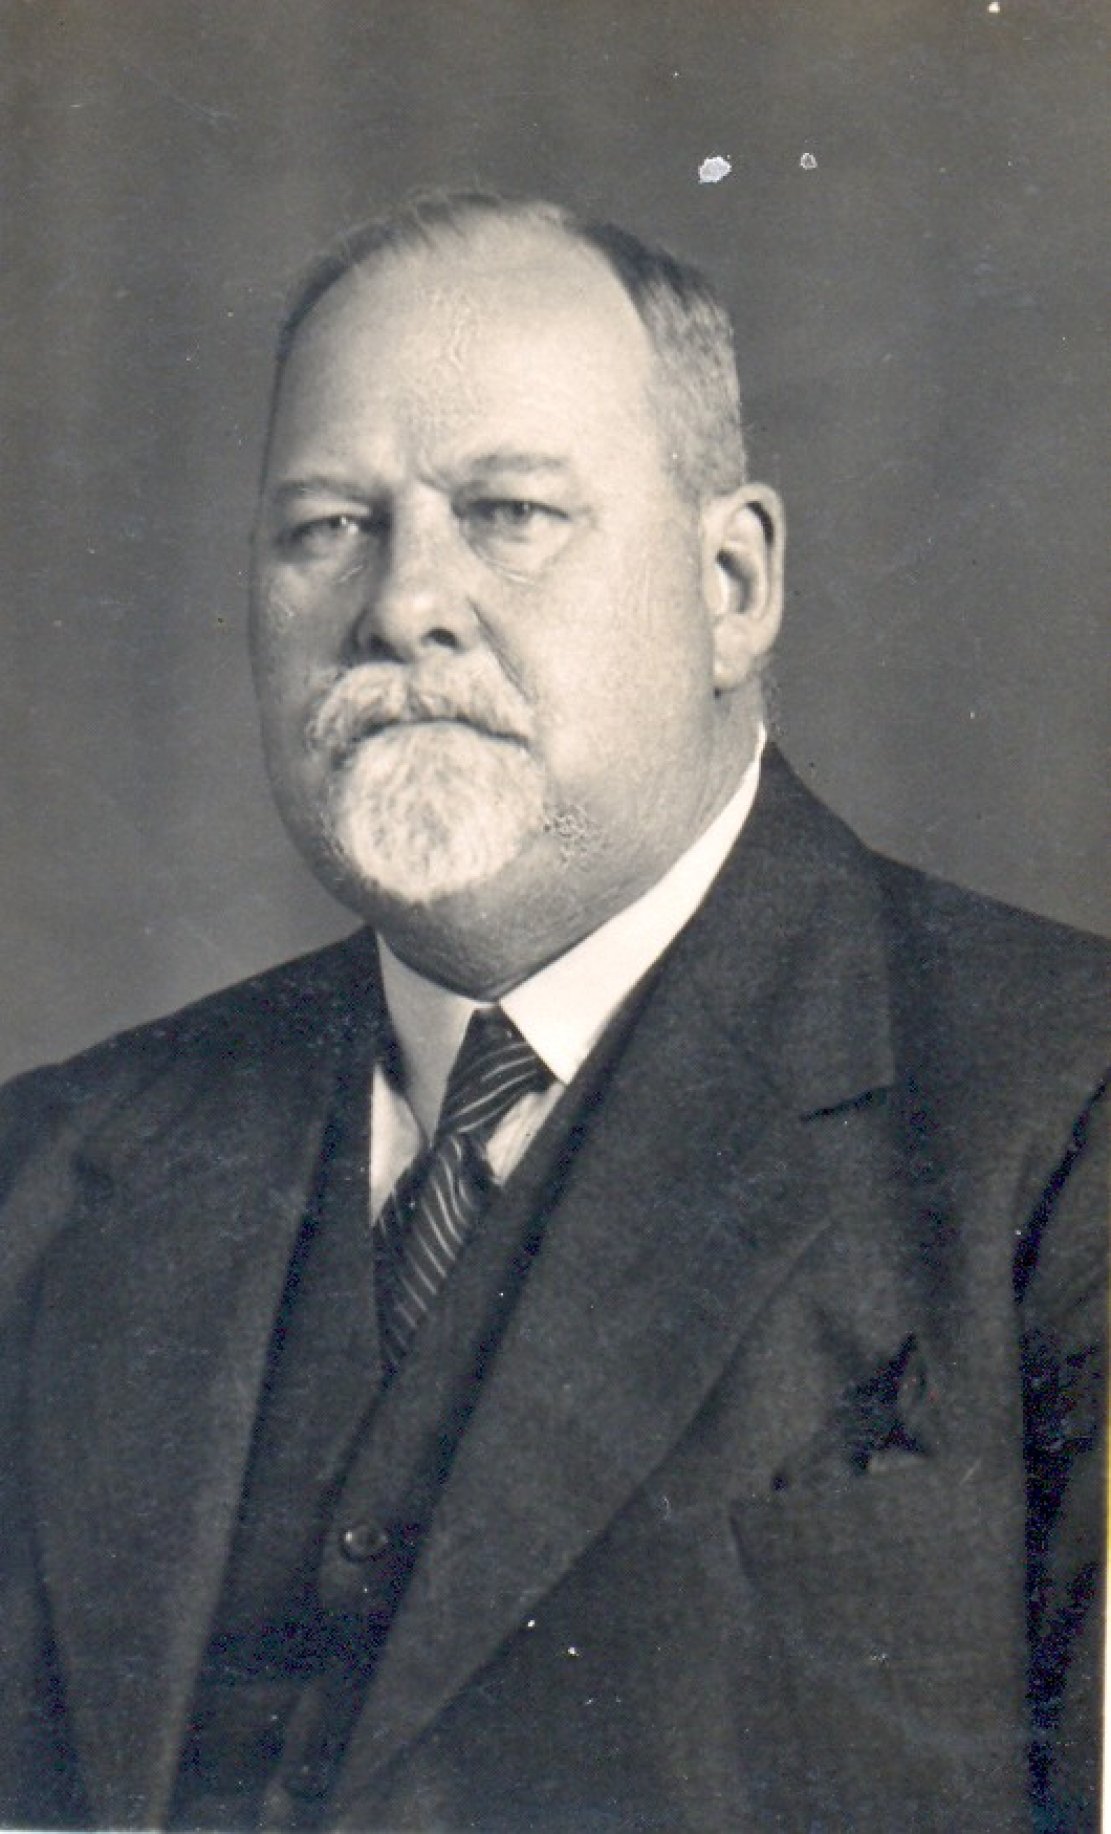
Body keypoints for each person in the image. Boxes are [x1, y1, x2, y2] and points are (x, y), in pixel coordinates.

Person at [0, 190, 1105, 1833]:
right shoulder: (44, 1171)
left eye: (508, 512)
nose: (402, 603)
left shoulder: (1068, 1110)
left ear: (731, 584)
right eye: (328, 527)